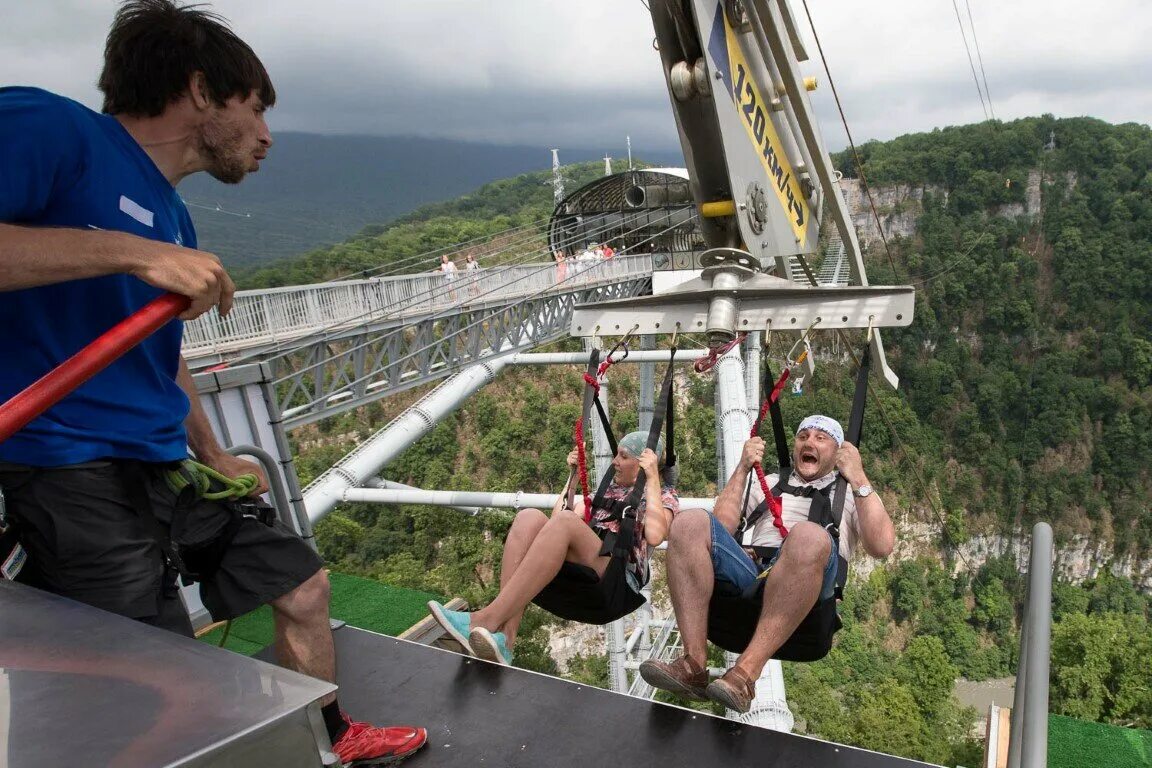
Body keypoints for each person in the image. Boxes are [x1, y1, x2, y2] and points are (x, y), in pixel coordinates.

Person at [0, 1, 426, 763]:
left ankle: (326, 742)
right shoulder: (52, 129)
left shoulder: (171, 219)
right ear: (201, 90)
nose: (266, 135)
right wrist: (132, 255)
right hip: (69, 469)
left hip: (164, 463)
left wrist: (216, 452)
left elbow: (162, 355)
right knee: (152, 686)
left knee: (301, 589)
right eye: (255, 108)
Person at [640, 415, 894, 713]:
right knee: (688, 522)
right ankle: (693, 665)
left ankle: (744, 676)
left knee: (808, 536)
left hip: (809, 597)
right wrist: (743, 468)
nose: (809, 442)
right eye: (803, 436)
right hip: (755, 578)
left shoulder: (850, 494)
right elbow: (721, 524)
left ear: (838, 451)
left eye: (820, 438)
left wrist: (859, 478)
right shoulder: (772, 483)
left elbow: (881, 546)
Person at [428, 432, 679, 665]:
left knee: (566, 523)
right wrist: (571, 478)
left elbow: (656, 535)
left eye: (623, 456)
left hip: (615, 581)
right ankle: (506, 638)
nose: (614, 462)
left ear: (642, 464)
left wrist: (654, 478)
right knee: (529, 517)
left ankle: (484, 619)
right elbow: (558, 517)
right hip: (587, 566)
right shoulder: (611, 490)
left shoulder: (664, 495)